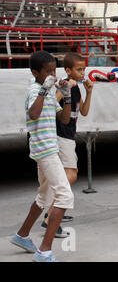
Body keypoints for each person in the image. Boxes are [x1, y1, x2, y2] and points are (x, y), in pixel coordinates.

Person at [11, 50, 74, 262]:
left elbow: (64, 120)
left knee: (44, 196)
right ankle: (44, 251)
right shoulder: (34, 90)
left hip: (49, 148)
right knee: (65, 196)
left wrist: (66, 97)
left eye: (53, 71)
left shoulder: (46, 91)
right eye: (48, 72)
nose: (52, 75)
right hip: (45, 150)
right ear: (35, 72)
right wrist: (44, 90)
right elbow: (34, 114)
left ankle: (22, 235)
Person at [40, 52, 94, 237]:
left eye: (84, 69)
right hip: (61, 135)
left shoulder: (77, 87)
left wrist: (89, 91)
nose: (82, 73)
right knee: (70, 174)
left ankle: (55, 211)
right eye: (79, 70)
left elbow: (84, 112)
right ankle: (49, 217)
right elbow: (50, 103)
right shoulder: (63, 84)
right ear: (68, 70)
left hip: (68, 135)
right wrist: (64, 90)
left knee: (64, 176)